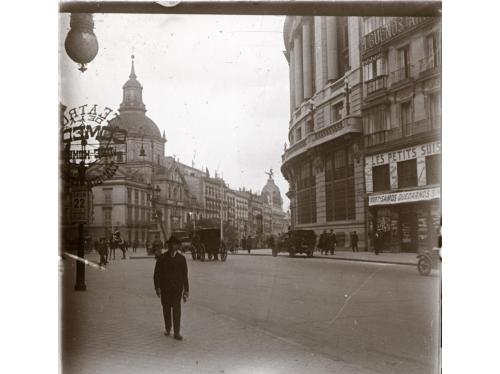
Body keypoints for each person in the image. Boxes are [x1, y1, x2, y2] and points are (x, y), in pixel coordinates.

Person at [154, 235, 189, 341]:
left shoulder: (182, 259)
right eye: (171, 244)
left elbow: (184, 275)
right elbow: (157, 274)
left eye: (175, 244)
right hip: (165, 289)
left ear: (178, 246)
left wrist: (186, 290)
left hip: (177, 289)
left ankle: (177, 332)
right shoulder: (162, 258)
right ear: (168, 245)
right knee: (166, 309)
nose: (173, 246)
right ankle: (168, 328)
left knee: (177, 311)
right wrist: (157, 288)